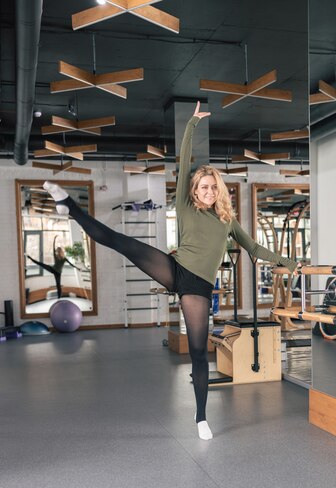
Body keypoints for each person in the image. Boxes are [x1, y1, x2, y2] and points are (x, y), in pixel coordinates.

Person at [43, 101, 297, 440]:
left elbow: (254, 249)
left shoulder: (227, 220)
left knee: (197, 352)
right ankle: (69, 205)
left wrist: (289, 262)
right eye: (202, 187)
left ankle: (201, 417)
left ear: (218, 190)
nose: (208, 191)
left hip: (198, 287)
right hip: (174, 268)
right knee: (119, 241)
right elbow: (184, 161)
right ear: (194, 190)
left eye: (212, 187)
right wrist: (191, 124)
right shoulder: (184, 204)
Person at [26, 235, 77, 299]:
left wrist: (77, 268)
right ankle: (29, 257)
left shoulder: (64, 258)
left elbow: (71, 264)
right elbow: (53, 248)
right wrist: (54, 239)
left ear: (60, 252)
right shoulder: (58, 257)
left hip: (57, 272)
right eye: (56, 251)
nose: (56, 252)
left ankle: (59, 298)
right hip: (53, 269)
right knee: (41, 264)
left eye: (57, 251)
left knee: (58, 285)